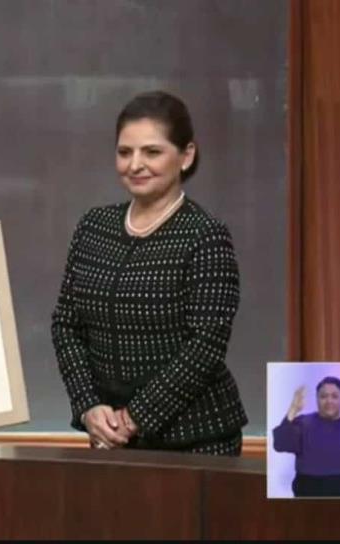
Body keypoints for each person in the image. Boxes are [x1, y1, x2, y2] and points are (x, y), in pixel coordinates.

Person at [51, 91, 248, 456]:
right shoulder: (94, 226)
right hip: (109, 437)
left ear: (186, 155)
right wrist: (88, 406)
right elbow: (66, 325)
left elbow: (206, 343)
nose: (135, 164)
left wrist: (134, 418)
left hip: (197, 441)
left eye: (152, 152)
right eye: (125, 152)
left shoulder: (205, 235)